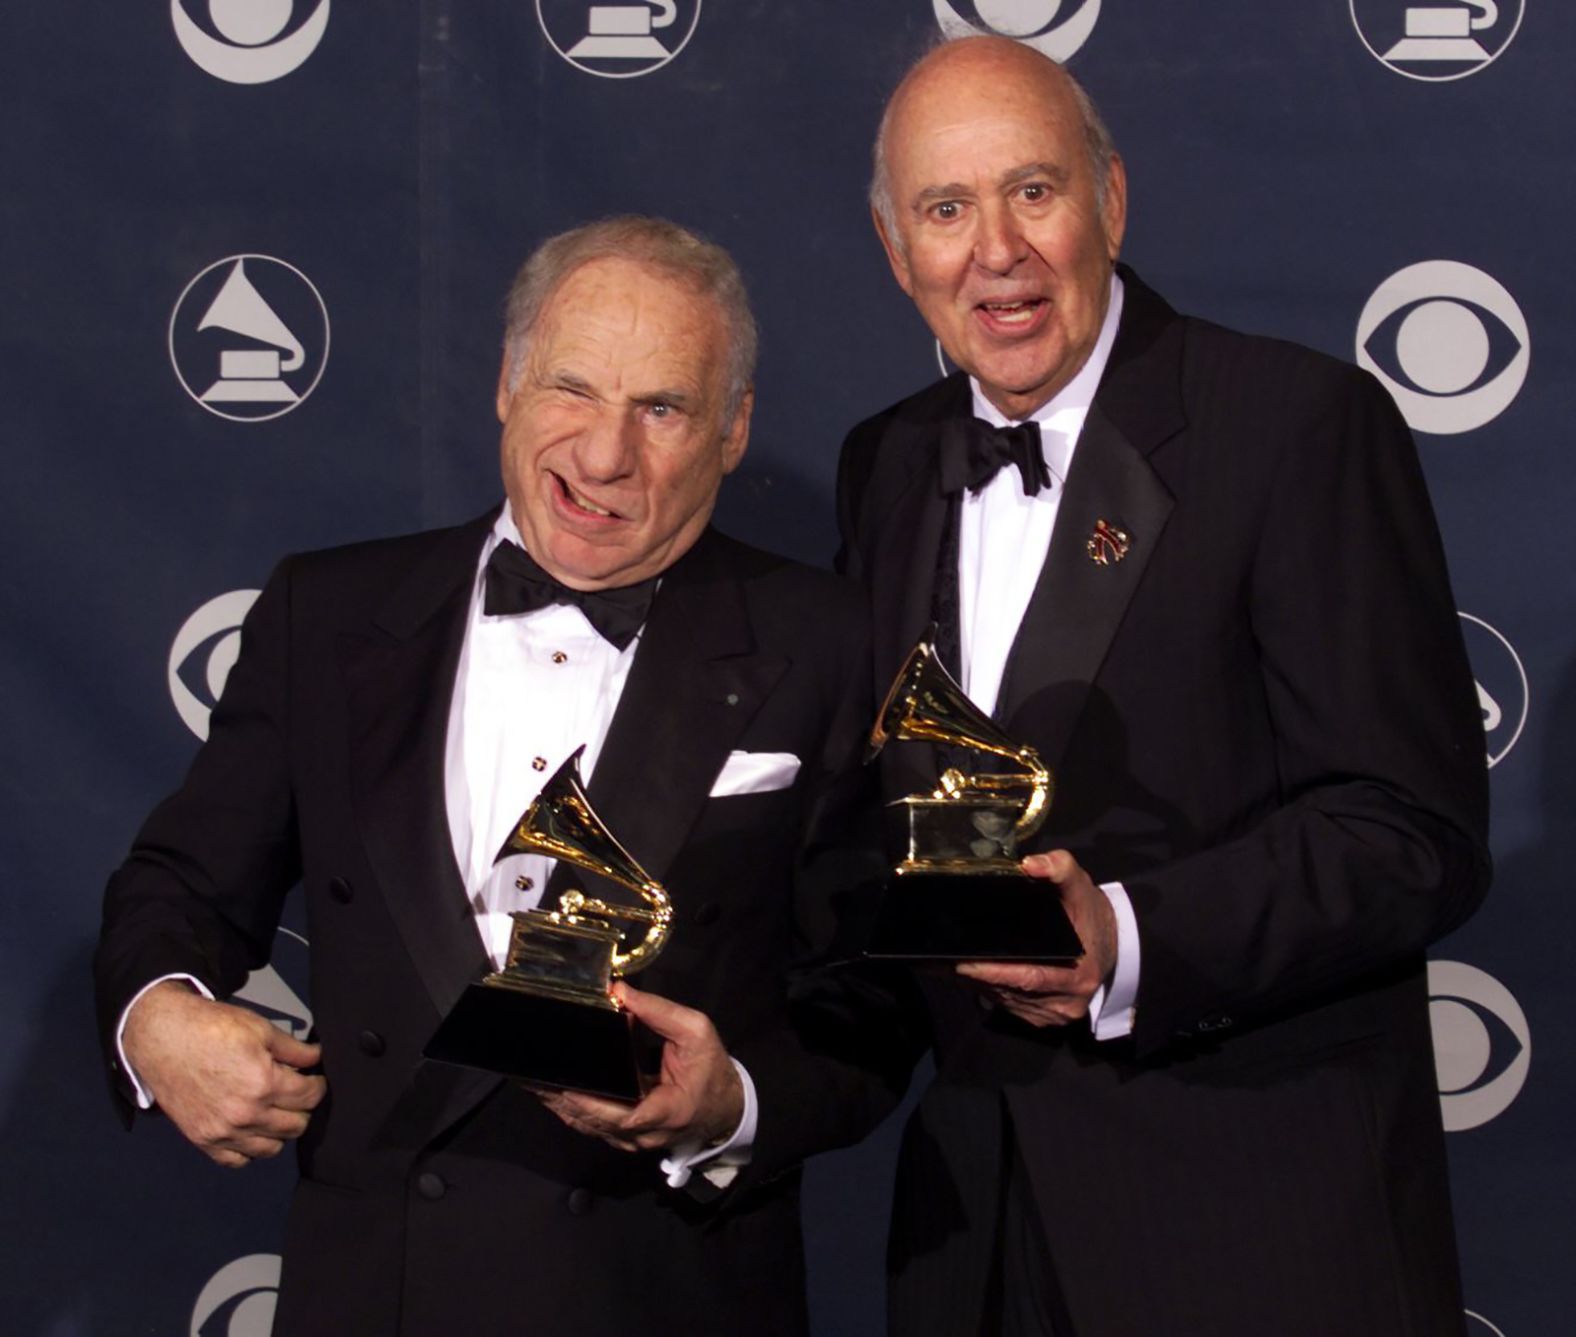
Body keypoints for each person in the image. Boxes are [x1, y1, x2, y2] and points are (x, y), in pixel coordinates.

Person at [95, 216, 904, 1337]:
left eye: (662, 408)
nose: (605, 453)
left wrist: (733, 1101)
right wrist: (158, 1019)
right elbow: (177, 885)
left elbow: (875, 997)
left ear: (732, 431)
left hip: (663, 1293)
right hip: (379, 1293)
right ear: (507, 383)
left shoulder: (829, 643)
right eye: (572, 386)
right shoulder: (325, 619)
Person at [836, 36, 1491, 1337]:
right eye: (946, 209)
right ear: (896, 248)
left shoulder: (1295, 425)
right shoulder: (887, 467)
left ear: (1111, 199)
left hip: (1254, 1238)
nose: (996, 251)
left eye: (1034, 191)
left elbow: (1411, 831)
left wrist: (1130, 937)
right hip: (973, 1241)